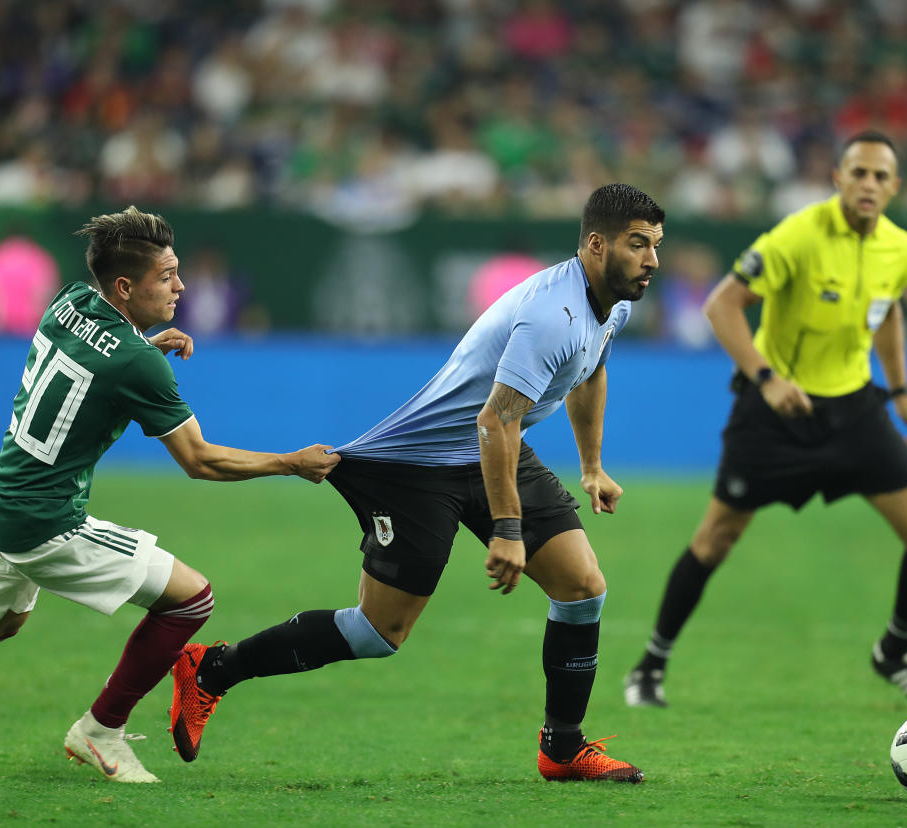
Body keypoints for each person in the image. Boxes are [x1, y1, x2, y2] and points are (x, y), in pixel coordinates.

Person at [170, 183, 665, 783]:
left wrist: (591, 466)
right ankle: (212, 670)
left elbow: (591, 372)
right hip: (415, 465)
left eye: (655, 245)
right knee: (379, 632)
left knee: (583, 588)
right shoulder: (550, 315)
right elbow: (496, 418)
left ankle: (562, 748)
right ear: (596, 244)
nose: (652, 260)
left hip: (491, 450)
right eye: (638, 245)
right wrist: (507, 530)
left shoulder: (613, 302)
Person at [0, 206, 339, 783]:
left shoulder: (69, 302)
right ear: (126, 286)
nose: (181, 285)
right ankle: (101, 730)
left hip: (0, 494)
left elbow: (98, 360)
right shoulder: (136, 363)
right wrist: (291, 463)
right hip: (44, 519)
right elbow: (200, 460)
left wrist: (142, 349)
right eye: (167, 276)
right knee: (190, 599)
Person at [624, 131, 907, 712]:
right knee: (716, 538)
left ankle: (894, 652)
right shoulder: (798, 236)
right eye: (858, 172)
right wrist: (765, 378)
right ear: (838, 178)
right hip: (776, 415)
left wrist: (901, 393)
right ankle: (651, 664)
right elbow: (721, 303)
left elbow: (889, 310)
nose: (869, 184)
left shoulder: (898, 249)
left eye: (881, 176)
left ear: (895, 187)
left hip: (854, 411)